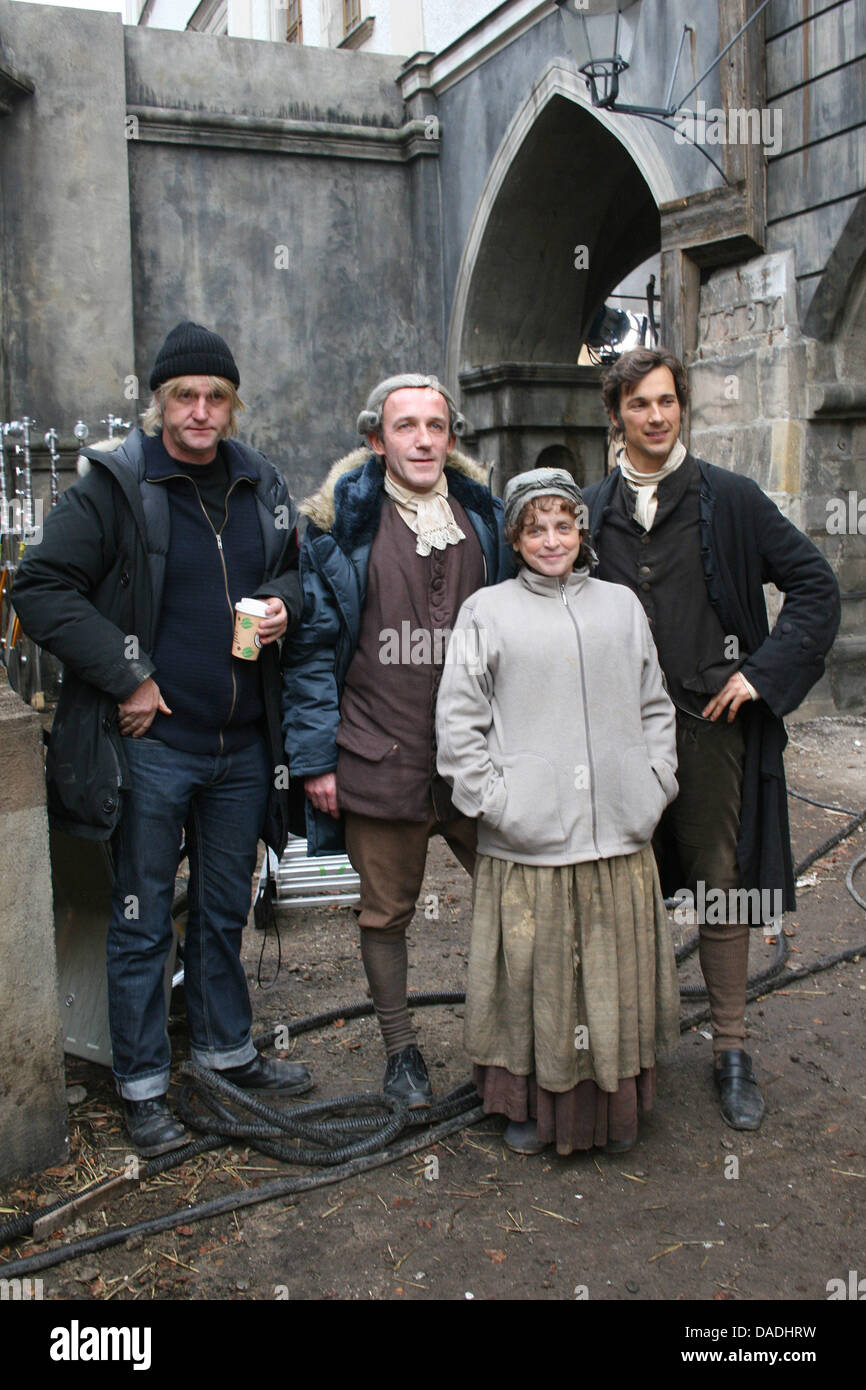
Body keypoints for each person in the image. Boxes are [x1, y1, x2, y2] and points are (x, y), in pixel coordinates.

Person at [14, 321, 310, 1156]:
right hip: (151, 744)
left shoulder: (261, 481)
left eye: (217, 397)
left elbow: (297, 566)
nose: (201, 412)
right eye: (185, 395)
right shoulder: (113, 485)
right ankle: (144, 1087)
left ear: (233, 404)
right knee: (142, 918)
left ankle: (225, 1054)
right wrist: (127, 676)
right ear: (159, 402)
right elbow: (40, 587)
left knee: (221, 913)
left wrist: (286, 601)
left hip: (242, 744)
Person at [583, 347, 842, 1130]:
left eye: (667, 402)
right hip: (618, 738)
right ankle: (635, 1048)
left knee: (721, 886)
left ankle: (731, 1048)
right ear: (617, 414)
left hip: (711, 728)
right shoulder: (590, 510)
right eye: (639, 405)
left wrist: (759, 675)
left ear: (682, 407)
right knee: (625, 886)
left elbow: (814, 587)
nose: (656, 417)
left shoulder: (731, 500)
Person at [282, 374, 511, 1108]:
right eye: (404, 425)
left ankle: (510, 1045)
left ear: (451, 437)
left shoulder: (491, 523)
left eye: (435, 425)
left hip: (482, 755)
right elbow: (313, 652)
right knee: (386, 913)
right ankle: (401, 1050)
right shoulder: (336, 531)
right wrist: (316, 759)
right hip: (380, 750)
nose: (421, 439)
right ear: (376, 439)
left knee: (516, 894)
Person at [436, 468, 680, 1156]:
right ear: (514, 537)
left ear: (581, 531)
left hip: (619, 836)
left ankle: (613, 1109)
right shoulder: (488, 612)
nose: (551, 540)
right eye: (535, 527)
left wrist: (653, 780)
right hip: (531, 840)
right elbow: (459, 725)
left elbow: (654, 704)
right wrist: (497, 803)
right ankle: (526, 1105)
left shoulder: (621, 607)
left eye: (563, 525)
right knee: (536, 980)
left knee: (608, 979)